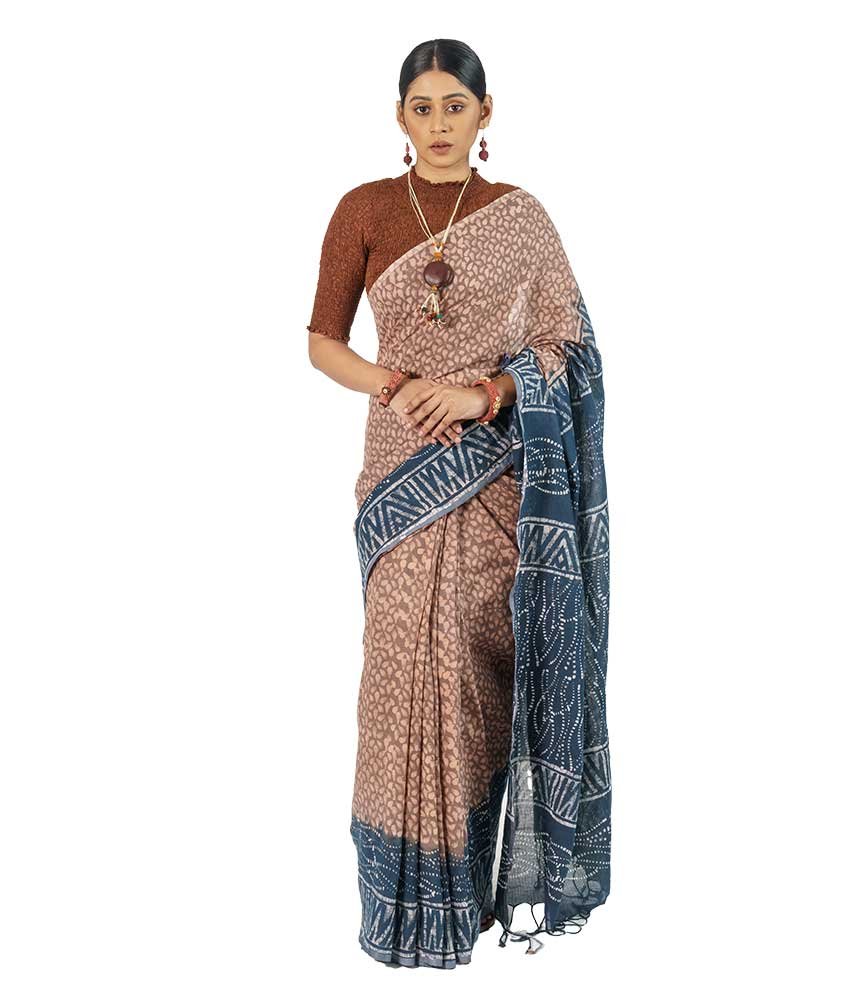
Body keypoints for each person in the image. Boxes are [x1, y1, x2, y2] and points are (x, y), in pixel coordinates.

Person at [306, 38, 612, 969]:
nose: (438, 124)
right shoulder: (363, 209)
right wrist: (397, 384)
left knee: (475, 681)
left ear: (486, 113)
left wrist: (485, 394)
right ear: (399, 117)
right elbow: (323, 342)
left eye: (455, 105)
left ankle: (471, 896)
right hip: (401, 475)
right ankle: (401, 908)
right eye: (422, 106)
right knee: (398, 677)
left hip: (495, 479)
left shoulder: (521, 216)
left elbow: (570, 349)